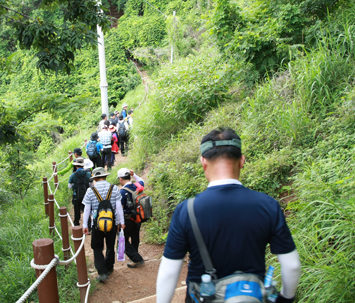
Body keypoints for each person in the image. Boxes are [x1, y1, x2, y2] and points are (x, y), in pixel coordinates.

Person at [156, 128, 301, 303]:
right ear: (242, 161)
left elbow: (169, 271)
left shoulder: (187, 210)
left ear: (203, 162)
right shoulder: (268, 206)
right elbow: (292, 266)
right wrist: (285, 298)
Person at [82, 167, 125, 282]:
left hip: (97, 225)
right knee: (110, 246)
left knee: (97, 247)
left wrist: (85, 225)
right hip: (112, 223)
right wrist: (122, 222)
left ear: (95, 178)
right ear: (105, 176)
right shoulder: (114, 188)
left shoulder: (90, 191)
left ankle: (102, 272)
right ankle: (109, 267)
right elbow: (119, 207)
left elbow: (86, 209)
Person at [118, 168, 145, 268]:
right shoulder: (137, 186)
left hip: (128, 219)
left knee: (122, 241)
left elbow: (120, 209)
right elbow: (141, 181)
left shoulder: (122, 193)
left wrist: (120, 222)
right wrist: (135, 175)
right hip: (138, 217)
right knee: (135, 238)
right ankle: (134, 257)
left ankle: (137, 259)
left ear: (121, 179)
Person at [68, 158, 92, 227]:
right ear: (83, 166)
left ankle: (77, 224)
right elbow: (91, 185)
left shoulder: (73, 175)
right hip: (86, 195)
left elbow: (69, 186)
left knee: (76, 209)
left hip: (77, 195)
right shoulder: (88, 174)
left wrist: (74, 185)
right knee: (87, 210)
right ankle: (89, 226)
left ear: (76, 166)